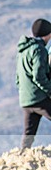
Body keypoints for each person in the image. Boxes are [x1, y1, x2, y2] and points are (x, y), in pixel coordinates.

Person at [16, 18, 51, 149]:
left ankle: (22, 156)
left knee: (28, 134)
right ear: (48, 34)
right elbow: (39, 77)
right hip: (38, 98)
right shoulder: (39, 50)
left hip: (25, 99)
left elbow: (18, 78)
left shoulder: (23, 50)